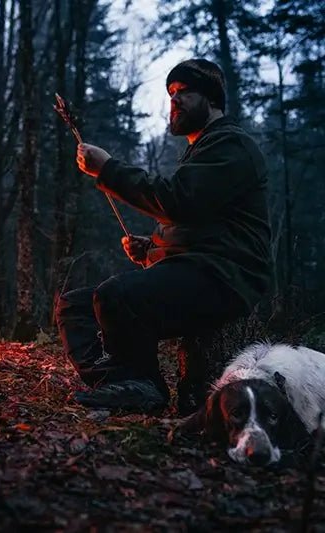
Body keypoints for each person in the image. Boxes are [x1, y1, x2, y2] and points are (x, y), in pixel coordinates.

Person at [55, 58, 272, 414]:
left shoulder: (232, 146)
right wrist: (151, 250)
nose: (174, 99)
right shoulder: (201, 152)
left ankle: (144, 385)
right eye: (170, 92)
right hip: (198, 270)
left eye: (184, 91)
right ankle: (119, 384)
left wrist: (107, 169)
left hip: (225, 278)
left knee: (116, 296)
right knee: (75, 306)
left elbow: (179, 201)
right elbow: (194, 223)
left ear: (212, 98)